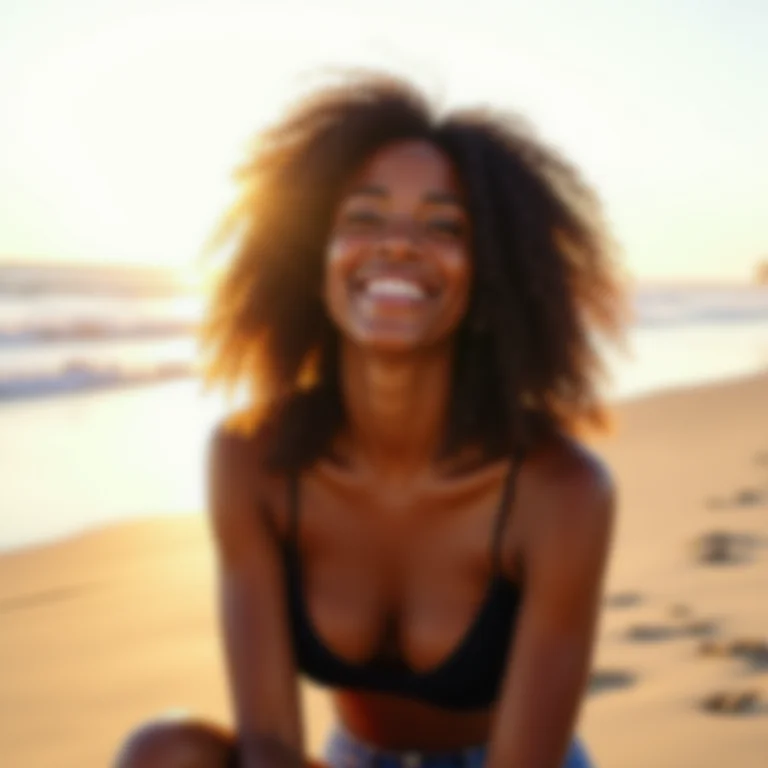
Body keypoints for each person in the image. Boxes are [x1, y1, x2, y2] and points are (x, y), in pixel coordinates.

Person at [116, 71, 626, 768]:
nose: (398, 244)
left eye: (444, 225)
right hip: (353, 758)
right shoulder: (251, 460)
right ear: (311, 257)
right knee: (163, 753)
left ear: (490, 274)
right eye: (363, 217)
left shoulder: (559, 491)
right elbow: (269, 746)